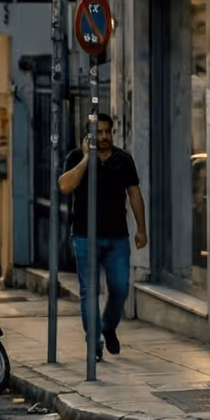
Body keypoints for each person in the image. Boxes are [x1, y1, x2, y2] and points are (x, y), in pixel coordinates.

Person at [58, 112, 148, 362]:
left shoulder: (123, 159)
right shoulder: (76, 158)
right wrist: (88, 158)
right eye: (99, 132)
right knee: (89, 290)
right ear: (89, 135)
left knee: (119, 289)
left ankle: (108, 327)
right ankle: (94, 341)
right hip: (85, 237)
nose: (105, 137)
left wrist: (141, 229)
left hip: (117, 238)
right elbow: (64, 186)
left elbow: (135, 194)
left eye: (108, 131)